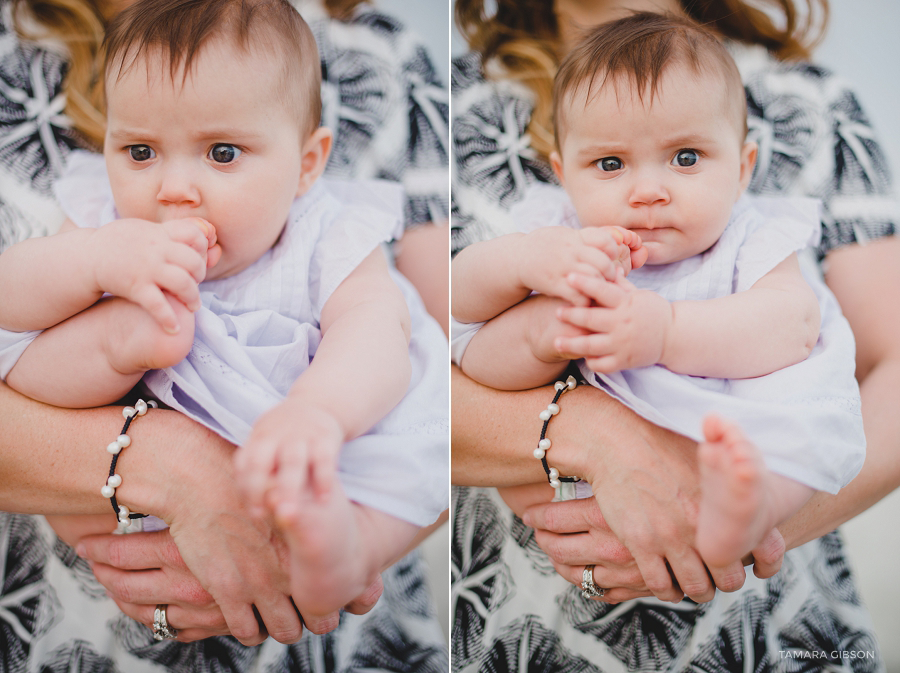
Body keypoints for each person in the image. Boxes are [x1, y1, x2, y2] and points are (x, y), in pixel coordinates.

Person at [0, 0, 449, 670]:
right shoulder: (101, 216)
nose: (174, 188)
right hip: (92, 581)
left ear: (307, 163)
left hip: (304, 460)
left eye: (222, 153)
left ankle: (346, 553)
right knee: (42, 353)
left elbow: (380, 333)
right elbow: (12, 314)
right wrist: (96, 263)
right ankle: (128, 342)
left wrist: (317, 413)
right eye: (141, 151)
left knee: (410, 438)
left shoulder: (325, 233)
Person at [452, 0, 900, 669]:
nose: (648, 190)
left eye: (685, 157)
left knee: (786, 455)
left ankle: (744, 519)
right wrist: (543, 319)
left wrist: (664, 330)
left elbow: (794, 323)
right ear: (559, 169)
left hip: (759, 561)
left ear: (745, 165)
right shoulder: (556, 236)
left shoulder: (755, 233)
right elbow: (463, 345)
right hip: (535, 615)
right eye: (610, 165)